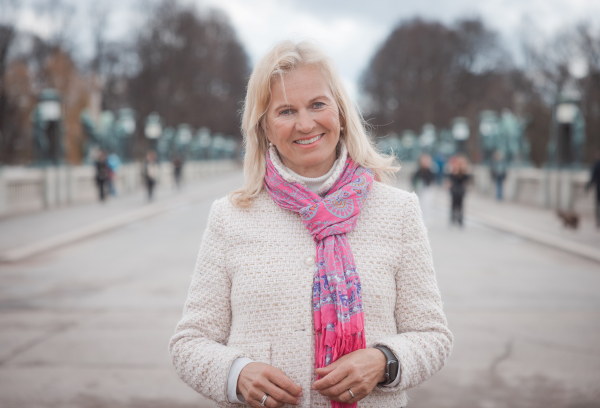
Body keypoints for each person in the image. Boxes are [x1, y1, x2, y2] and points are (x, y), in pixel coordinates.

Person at [169, 41, 453, 408]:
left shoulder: (397, 211)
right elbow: (189, 342)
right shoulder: (230, 216)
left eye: (318, 105)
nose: (305, 124)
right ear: (264, 128)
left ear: (341, 113)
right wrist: (236, 373)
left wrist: (384, 361)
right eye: (286, 111)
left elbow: (432, 335)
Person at [446, 155, 471, 227]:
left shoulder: (464, 172)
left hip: (461, 191)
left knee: (460, 205)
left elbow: (467, 181)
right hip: (454, 190)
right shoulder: (454, 171)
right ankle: (453, 218)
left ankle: (460, 220)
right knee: (453, 204)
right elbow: (450, 180)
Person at [585, 150, 600, 228]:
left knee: (597, 204)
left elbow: (592, 177)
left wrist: (588, 186)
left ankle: (598, 221)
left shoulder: (596, 164)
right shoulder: (596, 164)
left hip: (598, 187)